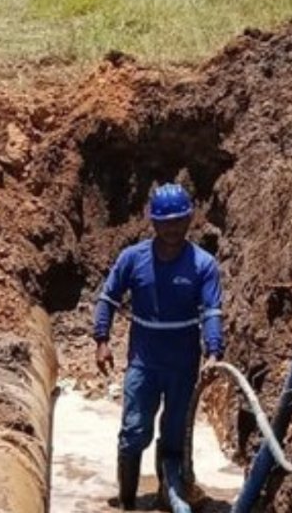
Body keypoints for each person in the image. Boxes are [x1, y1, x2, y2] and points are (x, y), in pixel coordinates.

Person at [93, 183, 224, 512]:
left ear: (190, 219)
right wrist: (102, 340)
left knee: (175, 433)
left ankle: (170, 495)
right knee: (134, 431)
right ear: (152, 222)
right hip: (144, 362)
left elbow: (211, 312)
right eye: (165, 222)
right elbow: (107, 299)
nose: (172, 229)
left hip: (182, 364)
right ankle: (127, 501)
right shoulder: (132, 259)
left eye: (179, 221)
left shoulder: (203, 265)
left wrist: (213, 352)